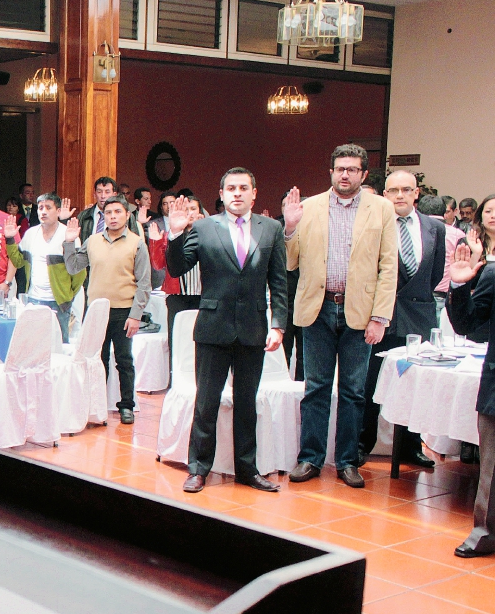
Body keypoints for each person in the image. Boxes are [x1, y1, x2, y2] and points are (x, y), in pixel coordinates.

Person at [164, 171, 289, 493]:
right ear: (221, 193)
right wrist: (175, 234)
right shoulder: (204, 227)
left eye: (243, 188)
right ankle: (198, 469)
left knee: (247, 404)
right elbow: (177, 268)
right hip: (213, 327)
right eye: (231, 188)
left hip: (253, 328)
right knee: (206, 403)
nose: (237, 193)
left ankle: (247, 469)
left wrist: (278, 325)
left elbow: (279, 281)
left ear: (254, 193)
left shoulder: (271, 229)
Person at [284, 143, 399, 489]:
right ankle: (310, 457)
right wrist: (289, 228)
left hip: (360, 311)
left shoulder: (382, 209)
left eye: (352, 169)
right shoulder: (309, 207)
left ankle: (348, 461)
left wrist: (380, 317)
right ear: (331, 172)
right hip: (317, 308)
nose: (344, 175)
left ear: (364, 174)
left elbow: (388, 266)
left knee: (353, 391)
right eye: (339, 169)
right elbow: (290, 261)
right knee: (316, 388)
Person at [359, 171, 447, 467]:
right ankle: (362, 442)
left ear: (416, 193)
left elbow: (434, 274)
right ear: (384, 194)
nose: (400, 195)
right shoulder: (373, 224)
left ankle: (411, 446)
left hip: (418, 316)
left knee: (414, 384)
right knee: (369, 381)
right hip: (379, 316)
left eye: (406, 189)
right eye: (393, 190)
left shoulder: (435, 228)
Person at [63, 195, 150, 424]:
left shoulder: (137, 243)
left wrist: (136, 315)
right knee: (96, 360)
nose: (113, 217)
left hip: (124, 311)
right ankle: (96, 407)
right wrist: (69, 242)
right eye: (108, 213)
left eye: (118, 212)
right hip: (96, 311)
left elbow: (144, 284)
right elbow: (73, 267)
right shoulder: (92, 241)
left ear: (127, 215)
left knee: (124, 360)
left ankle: (126, 405)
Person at [446, 195, 495, 555]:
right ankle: (485, 531)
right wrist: (461, 286)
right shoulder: (491, 272)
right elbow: (469, 326)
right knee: (491, 464)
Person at [9, 193, 86, 342]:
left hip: (58, 302)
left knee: (58, 345)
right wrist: (10, 239)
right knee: (33, 343)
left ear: (58, 211)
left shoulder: (68, 234)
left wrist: (67, 295)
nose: (43, 212)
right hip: (33, 299)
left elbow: (79, 273)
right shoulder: (31, 234)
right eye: (40, 208)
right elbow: (18, 262)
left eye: (48, 208)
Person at [147, 194, 206, 385]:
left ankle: (200, 381)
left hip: (203, 296)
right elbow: (158, 265)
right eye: (185, 209)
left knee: (201, 341)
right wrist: (155, 242)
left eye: (193, 209)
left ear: (201, 212)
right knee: (177, 340)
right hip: (177, 296)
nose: (189, 213)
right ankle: (176, 381)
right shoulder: (171, 235)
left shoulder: (208, 234)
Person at [421, 194, 467, 318]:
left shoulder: (415, 232)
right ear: (444, 213)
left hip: (419, 296)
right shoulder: (458, 234)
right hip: (447, 295)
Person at [78, 177, 142, 244]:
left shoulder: (126, 216)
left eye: (107, 192)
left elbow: (135, 242)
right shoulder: (84, 215)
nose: (103, 196)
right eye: (99, 192)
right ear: (94, 194)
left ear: (114, 194)